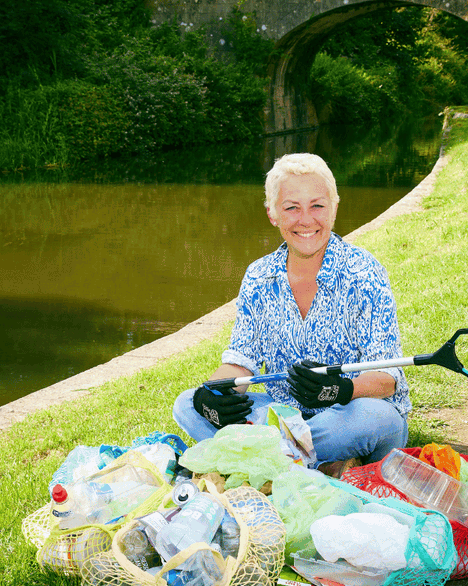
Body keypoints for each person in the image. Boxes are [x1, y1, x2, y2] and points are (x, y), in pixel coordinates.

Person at [172, 153, 410, 476]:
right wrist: (211, 395)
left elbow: (387, 380)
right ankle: (313, 465)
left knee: (377, 417)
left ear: (334, 208)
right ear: (272, 214)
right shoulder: (258, 277)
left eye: (317, 206)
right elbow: (241, 361)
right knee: (185, 404)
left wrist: (339, 389)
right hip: (285, 416)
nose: (306, 220)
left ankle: (259, 460)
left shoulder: (365, 273)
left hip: (348, 415)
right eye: (291, 208)